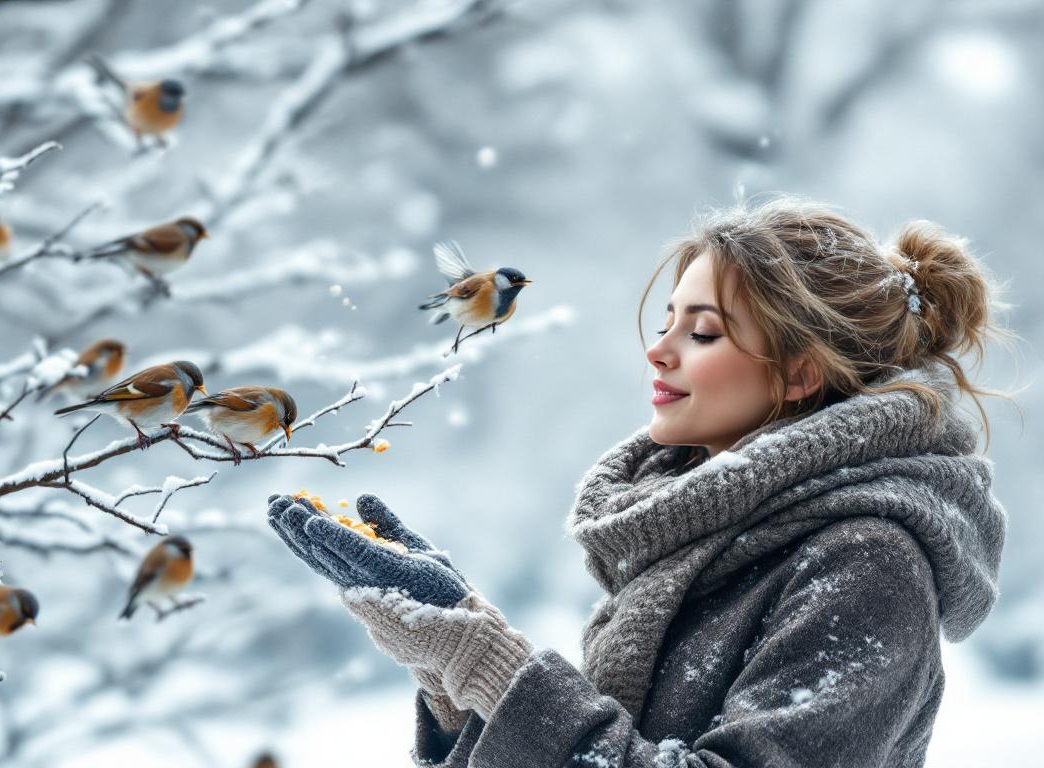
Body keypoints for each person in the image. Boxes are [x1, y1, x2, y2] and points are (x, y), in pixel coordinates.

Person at [266, 196, 1012, 767]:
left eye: (704, 332)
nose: (659, 351)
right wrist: (453, 677)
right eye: (666, 322)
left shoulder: (864, 565)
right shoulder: (690, 543)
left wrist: (494, 670)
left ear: (799, 372)